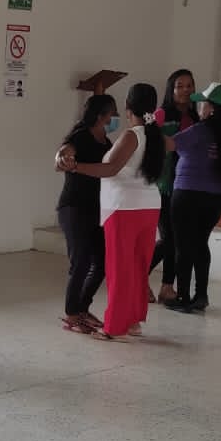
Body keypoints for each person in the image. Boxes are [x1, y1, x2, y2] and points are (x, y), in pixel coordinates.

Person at [64, 82, 164, 341]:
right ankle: (133, 322)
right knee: (138, 267)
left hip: (124, 208)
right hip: (149, 207)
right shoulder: (155, 135)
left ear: (128, 105)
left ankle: (114, 326)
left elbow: (110, 169)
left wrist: (76, 167)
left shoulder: (132, 135)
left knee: (119, 268)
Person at [166, 81, 221, 314]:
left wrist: (150, 127)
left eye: (203, 103)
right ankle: (201, 295)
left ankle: (183, 296)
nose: (199, 107)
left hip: (188, 194)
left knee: (183, 246)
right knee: (200, 244)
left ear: (211, 108)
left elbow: (169, 144)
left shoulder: (200, 130)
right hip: (215, 198)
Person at [53, 93, 116, 335]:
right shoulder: (80, 136)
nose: (115, 117)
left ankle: (82, 308)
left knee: (102, 262)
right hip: (73, 208)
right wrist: (63, 158)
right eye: (112, 112)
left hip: (96, 209)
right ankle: (71, 314)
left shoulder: (107, 144)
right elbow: (64, 151)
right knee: (80, 261)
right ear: (101, 116)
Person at [152, 68, 198, 304]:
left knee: (177, 239)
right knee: (169, 238)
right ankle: (140, 277)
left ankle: (166, 287)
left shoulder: (196, 118)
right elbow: (147, 137)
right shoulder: (161, 115)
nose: (185, 90)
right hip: (163, 185)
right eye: (180, 86)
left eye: (189, 85)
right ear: (171, 89)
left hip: (187, 185)